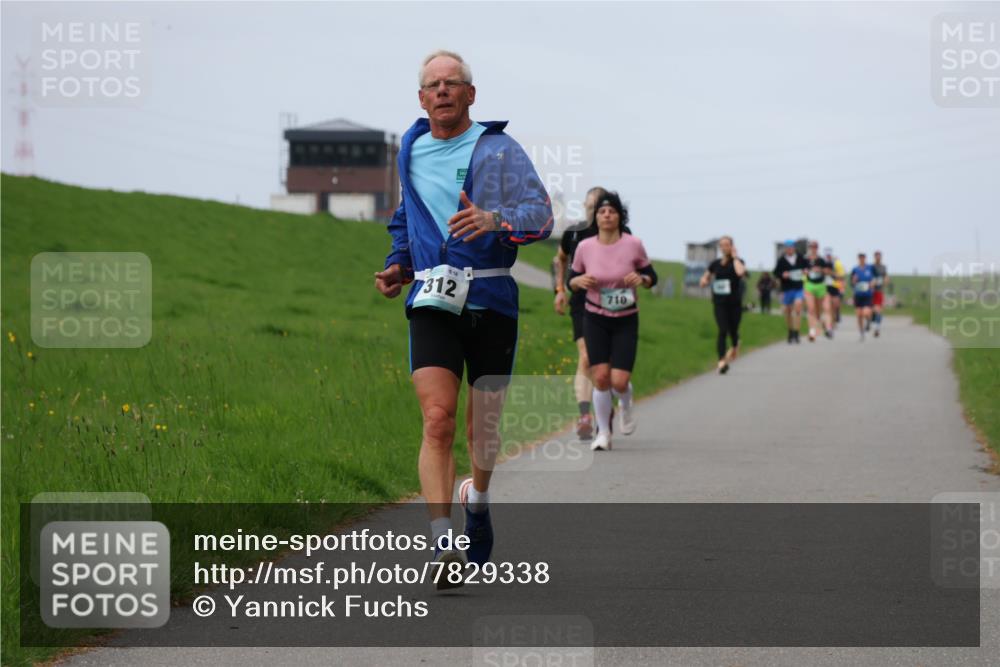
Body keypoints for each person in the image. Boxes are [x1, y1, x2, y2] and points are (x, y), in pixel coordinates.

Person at [374, 50, 552, 587]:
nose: (444, 91)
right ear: (422, 98)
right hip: (432, 297)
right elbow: (408, 216)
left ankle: (478, 497)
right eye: (434, 84)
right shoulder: (411, 148)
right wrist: (398, 264)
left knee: (483, 427)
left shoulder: (499, 149)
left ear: (471, 95)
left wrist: (494, 219)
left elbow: (541, 215)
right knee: (437, 419)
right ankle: (441, 543)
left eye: (454, 83)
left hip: (492, 296)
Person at [569, 192, 657, 452]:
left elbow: (651, 275)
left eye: (612, 211)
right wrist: (578, 282)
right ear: (595, 218)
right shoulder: (585, 248)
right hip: (595, 316)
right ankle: (603, 433)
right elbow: (571, 280)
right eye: (601, 212)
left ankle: (626, 406)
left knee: (619, 382)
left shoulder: (633, 244)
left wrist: (642, 280)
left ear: (620, 216)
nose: (606, 215)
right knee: (601, 377)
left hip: (626, 319)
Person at [553, 186, 608, 440]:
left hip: (610, 304)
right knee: (585, 357)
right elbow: (561, 258)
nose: (592, 210)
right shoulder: (574, 232)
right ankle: (585, 415)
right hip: (581, 301)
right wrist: (560, 289)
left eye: (596, 206)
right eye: (588, 205)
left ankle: (605, 406)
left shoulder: (617, 233)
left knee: (603, 362)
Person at [699, 236, 746, 373]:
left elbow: (740, 272)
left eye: (727, 245)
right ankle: (721, 360)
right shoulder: (715, 264)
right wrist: (704, 280)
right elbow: (706, 276)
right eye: (722, 245)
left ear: (732, 246)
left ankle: (736, 344)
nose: (724, 247)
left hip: (734, 303)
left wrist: (735, 257)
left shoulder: (738, 262)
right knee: (722, 330)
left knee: (733, 331)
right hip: (719, 302)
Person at [773, 240, 807, 343]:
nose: (790, 250)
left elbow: (807, 267)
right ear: (785, 249)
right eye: (788, 248)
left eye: (791, 248)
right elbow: (776, 272)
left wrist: (805, 271)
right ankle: (790, 331)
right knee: (787, 311)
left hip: (798, 287)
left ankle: (797, 332)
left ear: (794, 248)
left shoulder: (800, 257)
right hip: (787, 288)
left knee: (797, 307)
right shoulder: (782, 260)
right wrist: (783, 274)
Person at [803, 240, 832, 341]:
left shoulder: (821, 260)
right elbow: (801, 270)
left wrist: (820, 270)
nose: (813, 249)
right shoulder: (805, 259)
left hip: (820, 285)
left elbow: (828, 271)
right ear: (809, 248)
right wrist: (805, 271)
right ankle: (812, 331)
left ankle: (825, 328)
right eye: (812, 247)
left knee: (819, 310)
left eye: (815, 247)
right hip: (809, 285)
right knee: (811, 309)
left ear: (817, 248)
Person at [850, 252, 876, 341]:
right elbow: (852, 283)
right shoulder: (855, 269)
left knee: (866, 312)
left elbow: (874, 279)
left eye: (863, 257)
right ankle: (861, 332)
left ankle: (868, 321)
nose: (862, 259)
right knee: (859, 315)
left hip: (867, 294)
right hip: (858, 294)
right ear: (858, 259)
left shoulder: (870, 268)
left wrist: (872, 283)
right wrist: (854, 280)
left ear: (865, 258)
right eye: (860, 257)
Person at [824, 247, 845, 327]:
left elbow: (841, 275)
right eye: (827, 255)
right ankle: (830, 323)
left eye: (829, 255)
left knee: (835, 305)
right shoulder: (823, 262)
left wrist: (832, 273)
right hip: (825, 286)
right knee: (828, 306)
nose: (828, 256)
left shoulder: (837, 263)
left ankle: (836, 316)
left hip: (835, 286)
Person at [871, 250, 889, 337]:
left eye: (879, 256)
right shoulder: (871, 267)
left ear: (881, 257)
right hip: (871, 291)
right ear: (874, 257)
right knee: (873, 310)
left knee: (878, 310)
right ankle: (872, 323)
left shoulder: (883, 267)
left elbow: (886, 277)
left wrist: (885, 280)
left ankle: (877, 328)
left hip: (879, 291)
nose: (878, 258)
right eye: (876, 256)